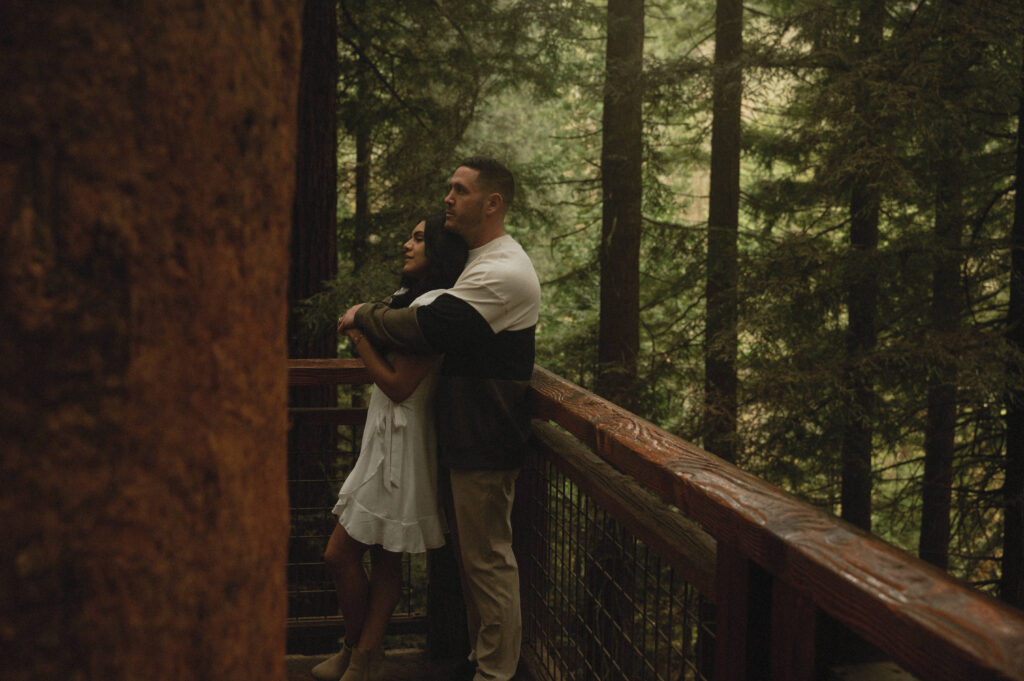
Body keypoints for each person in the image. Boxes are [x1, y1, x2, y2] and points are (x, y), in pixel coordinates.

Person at [338, 156, 541, 681]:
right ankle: (481, 661)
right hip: (465, 436)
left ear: (492, 203)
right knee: (474, 562)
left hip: (486, 439)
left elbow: (429, 326)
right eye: (450, 188)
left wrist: (363, 317)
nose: (448, 198)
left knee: (489, 561)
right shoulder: (481, 260)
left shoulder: (504, 270)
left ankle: (496, 675)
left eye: (460, 190)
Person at [312, 213, 469, 681]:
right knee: (383, 558)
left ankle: (360, 653)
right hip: (383, 437)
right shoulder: (411, 301)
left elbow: (400, 385)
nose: (407, 244)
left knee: (340, 554)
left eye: (419, 239)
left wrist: (359, 335)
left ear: (437, 252)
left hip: (402, 442)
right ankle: (360, 653)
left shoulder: (435, 308)